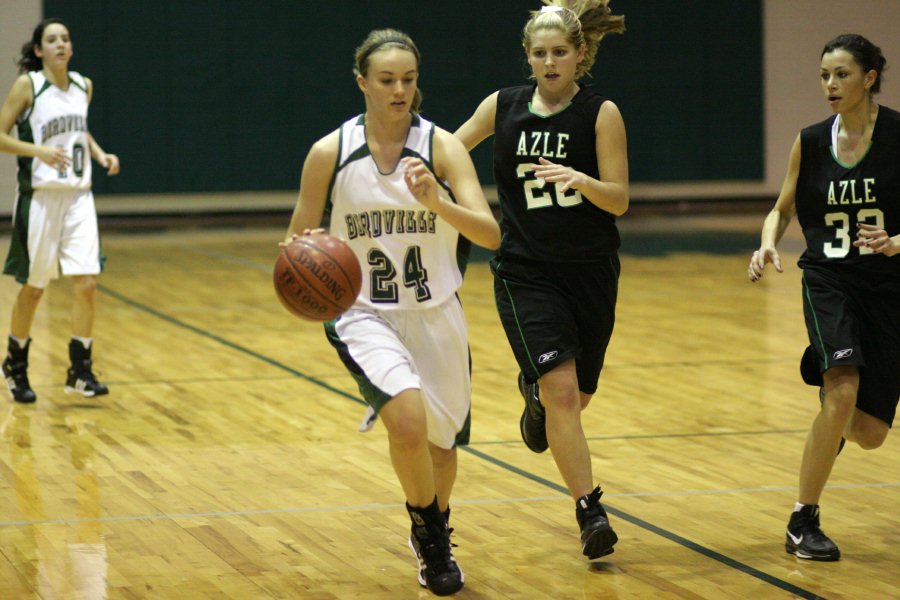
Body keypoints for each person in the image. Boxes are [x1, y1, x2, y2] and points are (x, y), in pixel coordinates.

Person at [284, 28, 499, 595]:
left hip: (437, 309)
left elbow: (492, 233)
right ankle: (432, 542)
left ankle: (434, 525)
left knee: (441, 446)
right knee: (406, 418)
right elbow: (297, 241)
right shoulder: (329, 153)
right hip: (362, 312)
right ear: (362, 82)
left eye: (408, 79)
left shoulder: (443, 148)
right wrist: (304, 279)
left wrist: (439, 202)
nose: (399, 89)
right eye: (387, 80)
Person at [455, 0, 627, 560]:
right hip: (526, 270)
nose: (550, 62)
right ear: (526, 57)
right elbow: (449, 151)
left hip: (591, 271)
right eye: (539, 53)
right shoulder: (502, 106)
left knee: (574, 396)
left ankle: (534, 401)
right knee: (562, 391)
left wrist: (582, 179)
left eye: (560, 52)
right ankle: (589, 509)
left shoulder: (600, 114)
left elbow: (619, 200)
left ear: (581, 55)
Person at [749, 34, 900, 562]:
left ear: (870, 78)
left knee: (872, 432)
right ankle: (802, 520)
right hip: (829, 280)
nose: (830, 85)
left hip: (887, 289)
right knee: (841, 392)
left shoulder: (899, 136)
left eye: (841, 74)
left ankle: (833, 391)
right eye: (824, 76)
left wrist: (898, 242)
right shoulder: (810, 141)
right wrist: (767, 243)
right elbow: (782, 207)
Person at [0, 18, 119, 403]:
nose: (60, 44)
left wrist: (100, 155)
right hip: (41, 198)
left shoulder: (83, 85)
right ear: (39, 50)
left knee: (86, 282)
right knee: (34, 289)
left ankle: (79, 371)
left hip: (79, 197)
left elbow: (78, 130)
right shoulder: (29, 86)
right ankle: (14, 365)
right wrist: (40, 151)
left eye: (65, 38)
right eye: (52, 40)